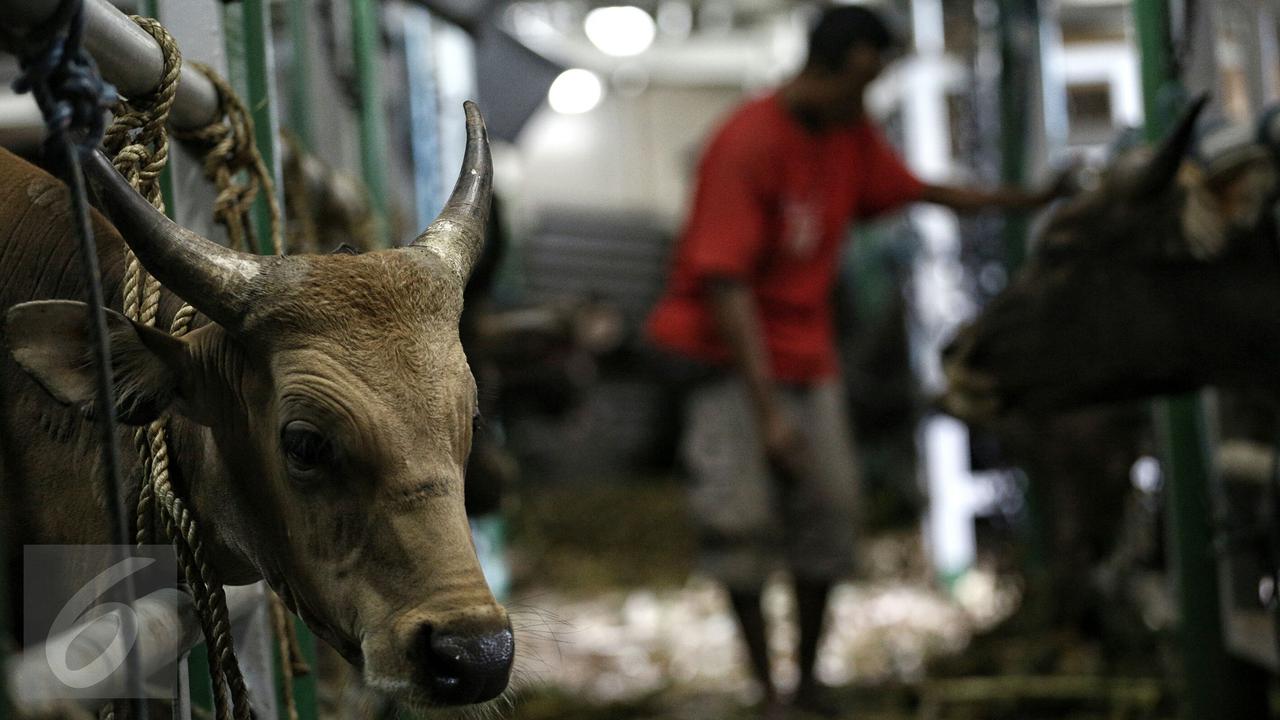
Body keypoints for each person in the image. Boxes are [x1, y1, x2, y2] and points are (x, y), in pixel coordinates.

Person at [645, 6, 1066, 717]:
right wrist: (769, 412)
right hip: (731, 362)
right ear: (834, 66)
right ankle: (766, 690)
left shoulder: (848, 135)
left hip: (808, 357)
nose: (871, 94)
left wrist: (1025, 200)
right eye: (867, 75)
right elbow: (724, 282)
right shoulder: (747, 141)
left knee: (829, 517)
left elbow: (919, 189)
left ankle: (807, 685)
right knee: (738, 521)